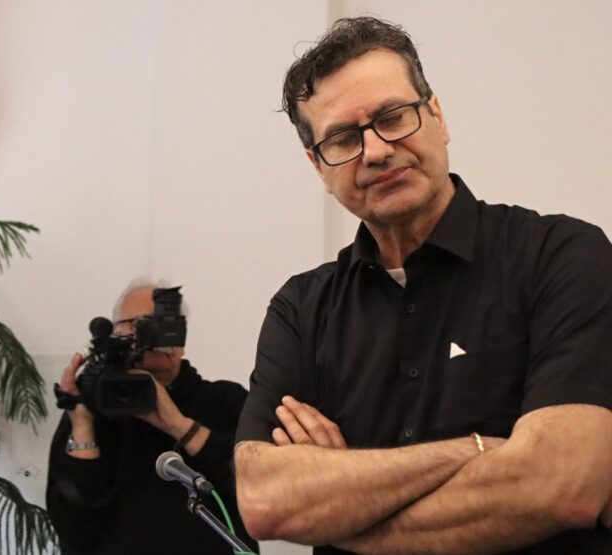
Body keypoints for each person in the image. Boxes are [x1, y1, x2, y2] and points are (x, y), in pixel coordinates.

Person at [232, 16, 612, 554]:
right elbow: (264, 501)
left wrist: (341, 506)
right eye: (343, 138)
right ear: (318, 167)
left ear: (436, 116)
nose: (376, 150)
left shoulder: (561, 257)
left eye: (392, 117)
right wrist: (476, 451)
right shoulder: (301, 309)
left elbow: (562, 486)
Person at [46, 278, 254, 554]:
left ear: (181, 338)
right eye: (140, 324)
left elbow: (260, 487)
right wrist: (82, 424)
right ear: (115, 334)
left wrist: (179, 426)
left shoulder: (225, 401)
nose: (155, 336)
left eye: (167, 325)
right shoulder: (95, 406)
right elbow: (72, 528)